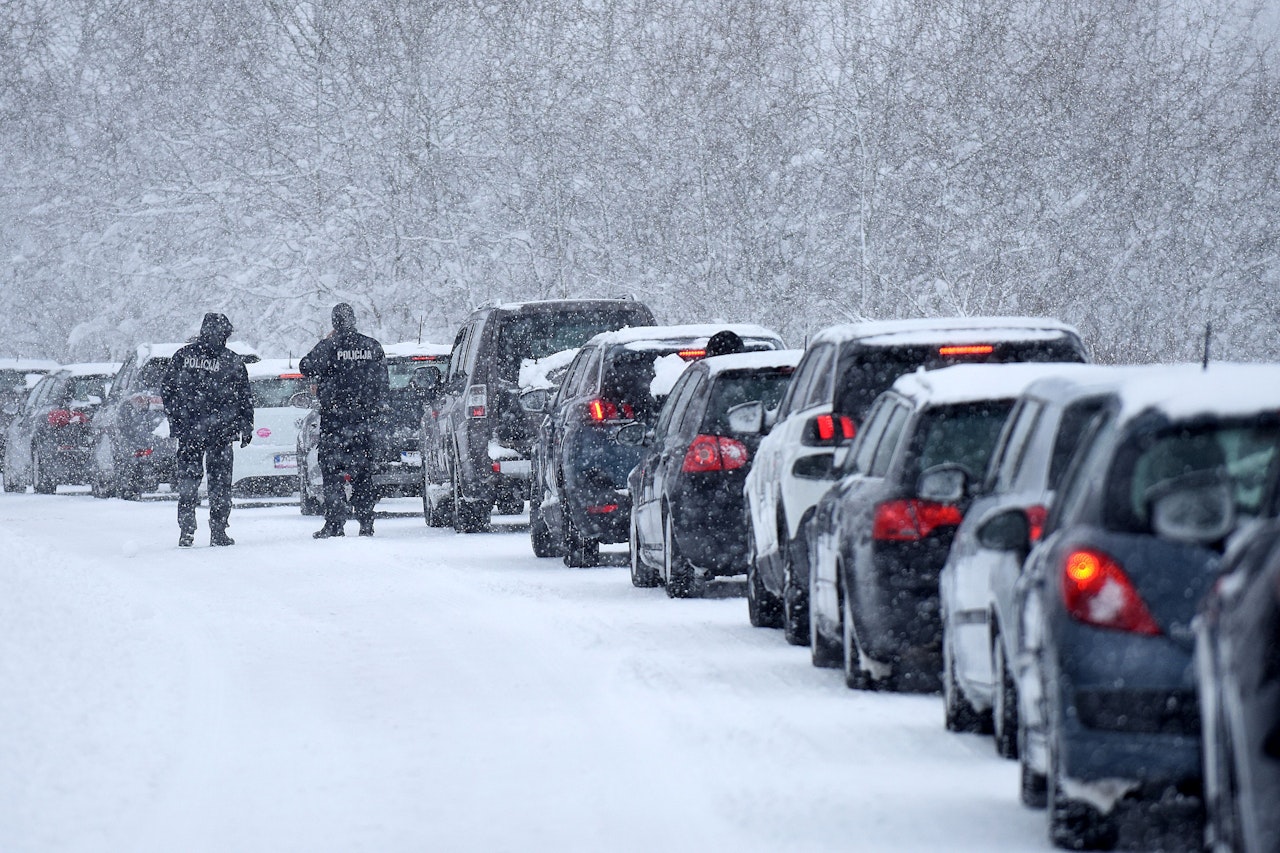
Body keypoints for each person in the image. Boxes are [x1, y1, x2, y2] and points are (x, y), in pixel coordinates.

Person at [161, 312, 254, 547]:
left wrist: (177, 420)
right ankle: (219, 531)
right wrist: (246, 425)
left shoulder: (183, 357)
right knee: (220, 483)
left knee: (189, 482)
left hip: (191, 432)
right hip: (220, 433)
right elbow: (244, 397)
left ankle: (187, 530)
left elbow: (168, 392)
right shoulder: (231, 360)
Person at [300, 303, 390, 538]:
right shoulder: (371, 346)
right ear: (353, 320)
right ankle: (366, 523)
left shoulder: (329, 346)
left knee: (332, 473)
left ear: (334, 322)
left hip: (336, 421)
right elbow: (383, 383)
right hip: (364, 422)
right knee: (363, 473)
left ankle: (335, 524)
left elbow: (305, 366)